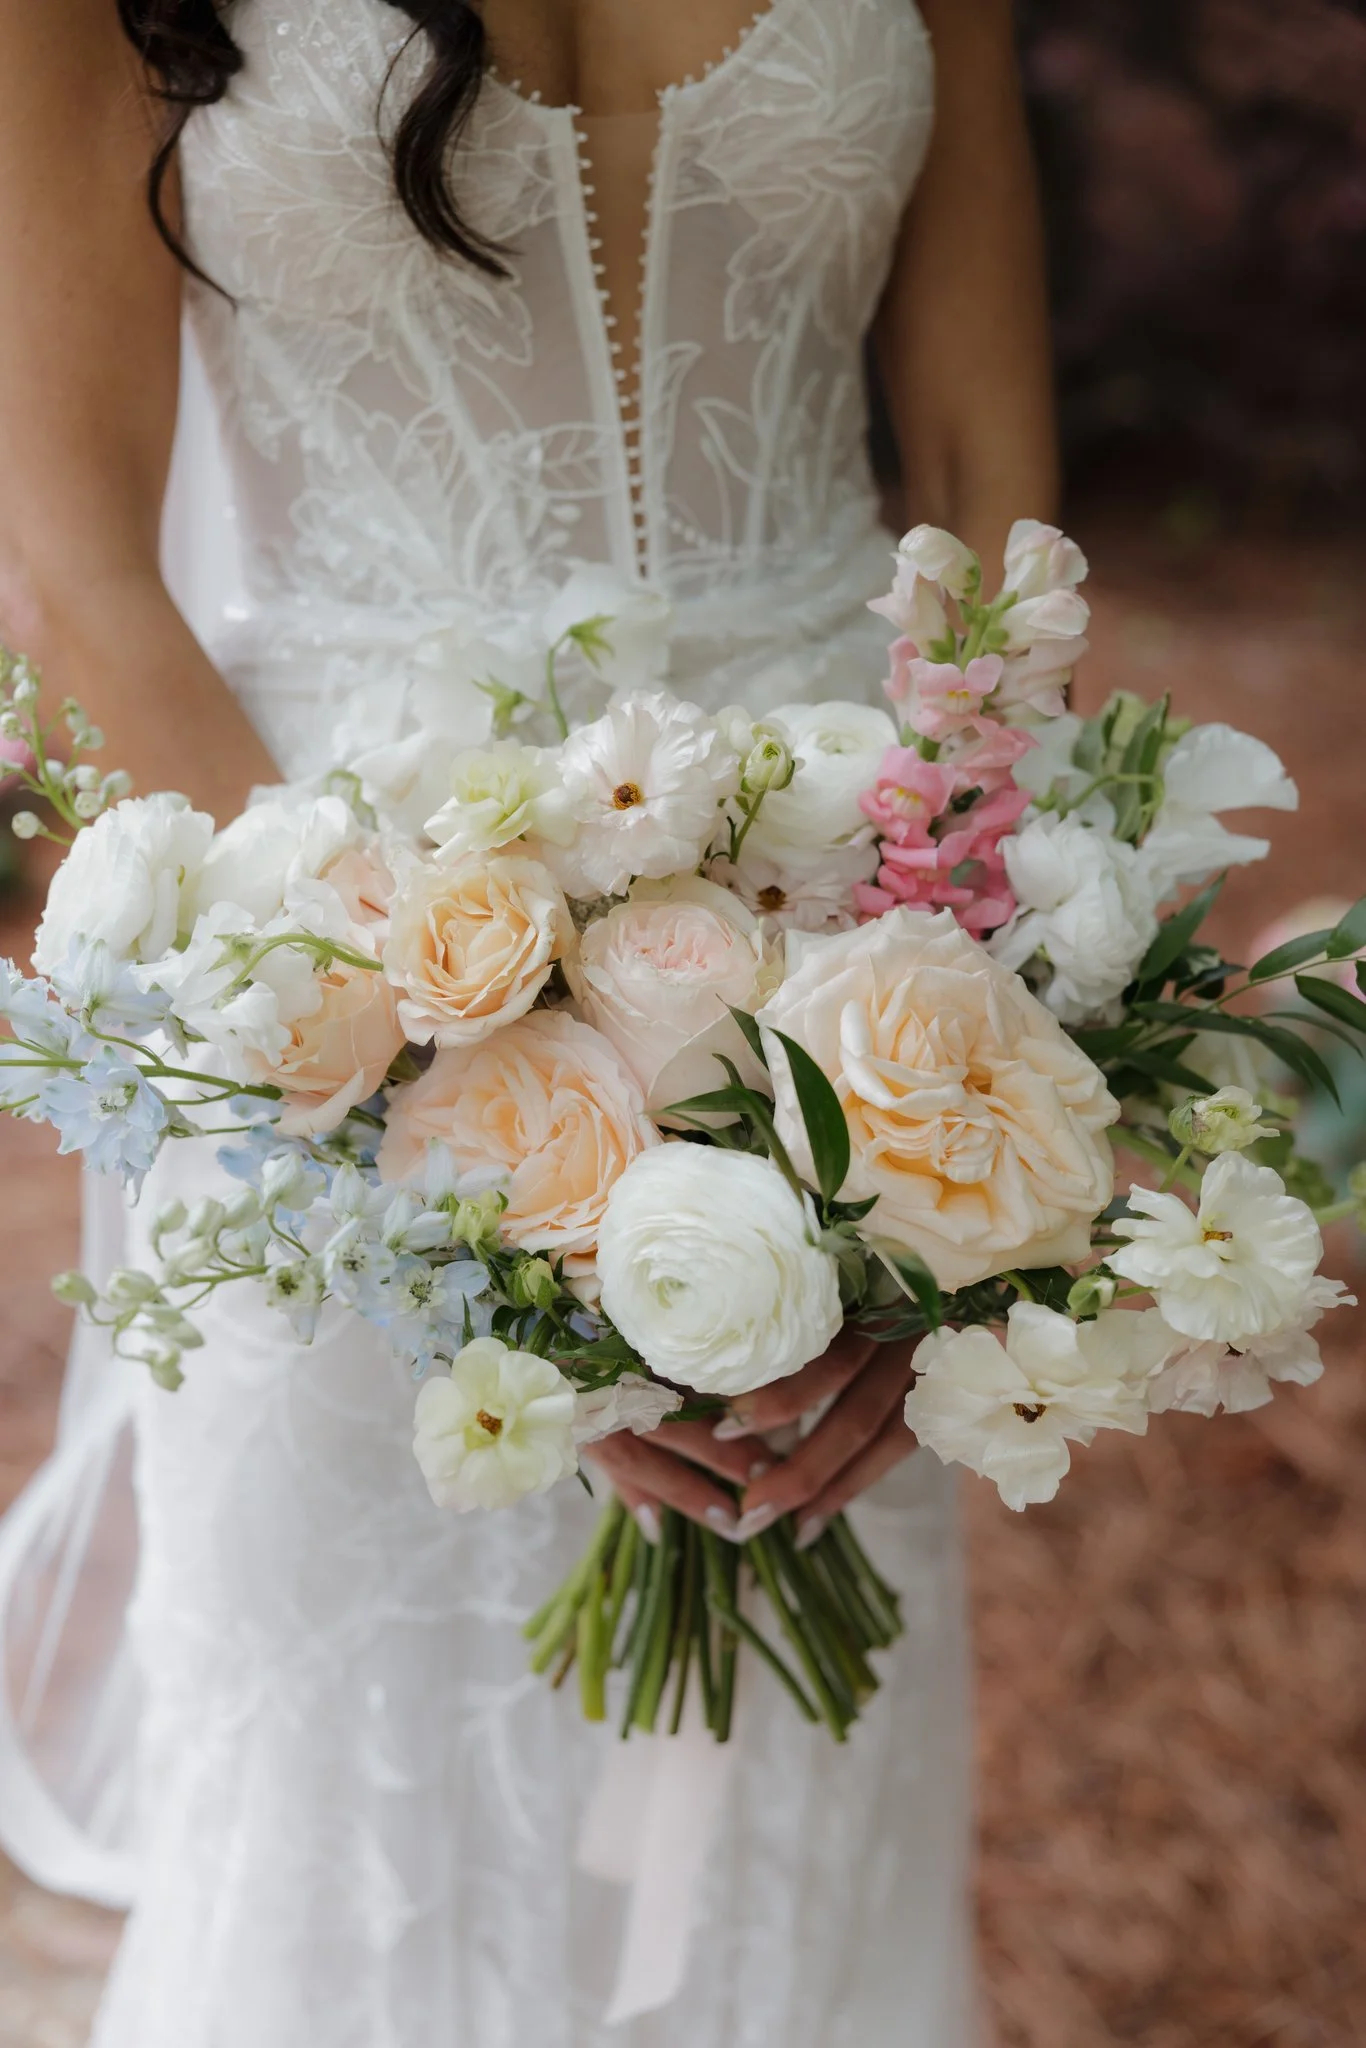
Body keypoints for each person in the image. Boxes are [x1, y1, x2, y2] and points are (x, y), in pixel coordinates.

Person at [0, 3, 1055, 2041]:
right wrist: (455, 1123)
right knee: (353, 1819)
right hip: (330, 967)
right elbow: (73, 549)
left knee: (789, 1799)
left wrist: (961, 1024)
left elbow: (984, 481)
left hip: (857, 978)